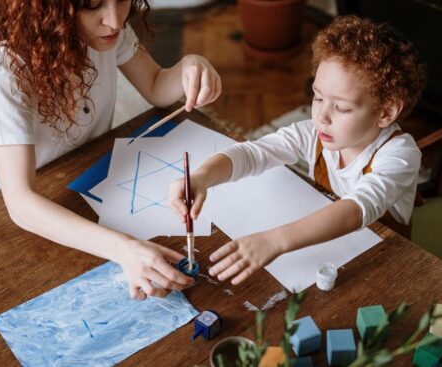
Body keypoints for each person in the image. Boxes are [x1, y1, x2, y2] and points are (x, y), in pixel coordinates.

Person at [169, 15, 426, 286]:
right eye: (318, 97)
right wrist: (201, 177)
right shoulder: (314, 133)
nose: (322, 116)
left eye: (341, 107)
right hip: (329, 249)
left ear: (385, 112)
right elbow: (254, 153)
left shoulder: (400, 154)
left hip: (386, 260)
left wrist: (274, 241)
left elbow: (356, 209)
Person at [0, 0, 221, 300]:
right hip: (34, 210)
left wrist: (190, 66)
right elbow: (21, 203)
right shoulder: (5, 68)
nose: (114, 21)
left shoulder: (107, 32)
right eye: (91, 5)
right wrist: (124, 249)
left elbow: (155, 86)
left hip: (94, 171)